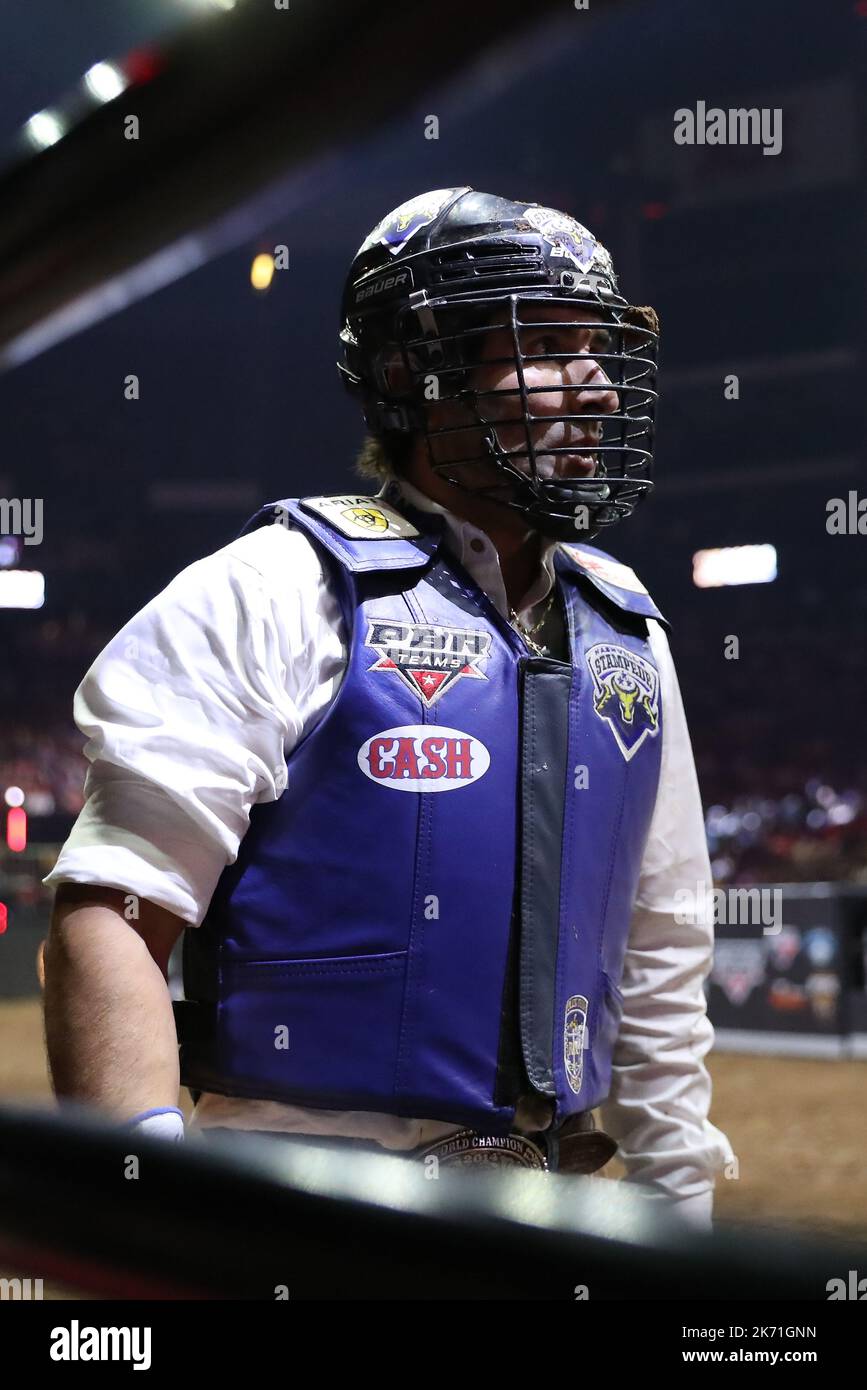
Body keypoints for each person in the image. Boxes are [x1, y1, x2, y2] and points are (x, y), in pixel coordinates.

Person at [43, 187, 733, 1227]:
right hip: (300, 1213)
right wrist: (155, 1203)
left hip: (555, 1216)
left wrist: (681, 1208)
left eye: (597, 345)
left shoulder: (629, 632)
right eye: (545, 341)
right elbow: (109, 921)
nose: (594, 383)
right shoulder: (273, 588)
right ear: (416, 370)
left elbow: (661, 949)